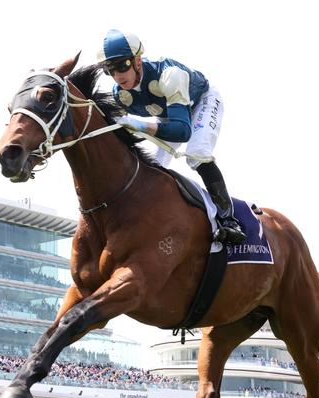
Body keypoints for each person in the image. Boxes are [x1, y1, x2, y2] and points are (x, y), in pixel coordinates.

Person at [97, 29, 246, 245]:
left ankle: (229, 220)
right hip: (170, 114)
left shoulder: (169, 74)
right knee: (153, 166)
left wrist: (139, 125)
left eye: (122, 65)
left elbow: (182, 131)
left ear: (137, 61)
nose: (118, 75)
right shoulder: (120, 95)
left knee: (197, 153)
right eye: (109, 69)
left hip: (201, 102)